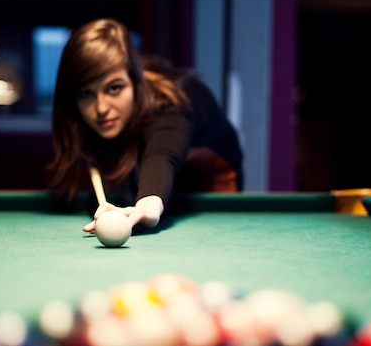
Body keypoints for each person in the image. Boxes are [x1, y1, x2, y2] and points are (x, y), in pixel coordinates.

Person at [48, 18, 243, 233]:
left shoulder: (174, 100)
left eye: (114, 88)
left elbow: (162, 154)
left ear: (134, 82)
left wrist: (148, 203)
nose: (101, 108)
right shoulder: (93, 118)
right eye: (86, 93)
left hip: (208, 184)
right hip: (149, 180)